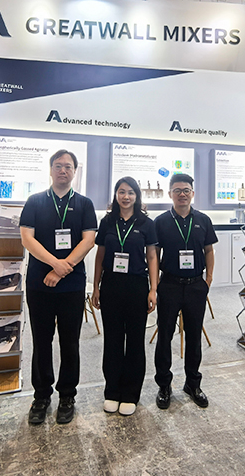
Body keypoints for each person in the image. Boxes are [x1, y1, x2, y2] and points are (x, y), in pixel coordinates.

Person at [20, 149, 97, 425]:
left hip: (72, 286)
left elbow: (88, 240)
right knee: (41, 341)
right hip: (40, 284)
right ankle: (41, 396)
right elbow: (27, 239)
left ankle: (67, 395)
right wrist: (56, 265)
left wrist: (64, 269)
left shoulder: (85, 204)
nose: (63, 170)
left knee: (70, 342)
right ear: (51, 169)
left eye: (68, 166)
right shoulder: (35, 201)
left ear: (75, 171)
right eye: (58, 166)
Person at [92, 177, 158, 416]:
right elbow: (100, 255)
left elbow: (152, 256)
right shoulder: (107, 222)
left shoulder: (146, 223)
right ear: (116, 195)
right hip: (111, 285)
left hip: (137, 286)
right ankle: (112, 391)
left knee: (135, 340)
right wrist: (96, 286)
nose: (126, 196)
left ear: (137, 196)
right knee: (112, 339)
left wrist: (153, 289)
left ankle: (131, 393)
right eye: (121, 192)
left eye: (130, 192)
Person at [153, 173, 217, 410]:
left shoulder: (203, 220)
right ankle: (164, 385)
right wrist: (154, 285)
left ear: (192, 193)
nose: (182, 194)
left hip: (195, 286)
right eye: (177, 190)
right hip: (169, 285)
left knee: (194, 336)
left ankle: (193, 383)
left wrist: (208, 279)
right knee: (165, 336)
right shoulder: (160, 222)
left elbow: (209, 250)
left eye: (186, 190)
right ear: (170, 193)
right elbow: (154, 255)